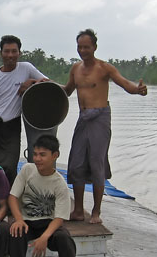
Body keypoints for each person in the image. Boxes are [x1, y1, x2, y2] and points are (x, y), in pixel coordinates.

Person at [63, 29, 147, 224]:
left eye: (86, 47)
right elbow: (67, 91)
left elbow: (126, 84)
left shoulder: (104, 68)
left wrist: (138, 90)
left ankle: (96, 212)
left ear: (94, 47)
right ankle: (77, 210)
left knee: (96, 163)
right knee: (76, 164)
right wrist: (45, 85)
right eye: (80, 47)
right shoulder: (75, 68)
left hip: (100, 118)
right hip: (83, 119)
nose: (83, 50)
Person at [7, 135, 90, 257]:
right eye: (35, 154)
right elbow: (13, 197)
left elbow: (59, 217)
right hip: (27, 221)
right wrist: (18, 219)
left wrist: (44, 237)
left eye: (42, 155)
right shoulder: (27, 171)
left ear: (55, 155)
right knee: (15, 233)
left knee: (65, 240)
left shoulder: (59, 183)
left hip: (49, 223)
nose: (37, 159)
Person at [0, 35, 48, 186]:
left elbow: (48, 83)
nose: (10, 55)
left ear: (19, 53)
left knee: (9, 167)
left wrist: (31, 82)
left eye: (14, 51)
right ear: (1, 53)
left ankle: (10, 203)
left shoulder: (26, 68)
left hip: (11, 126)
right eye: (6, 51)